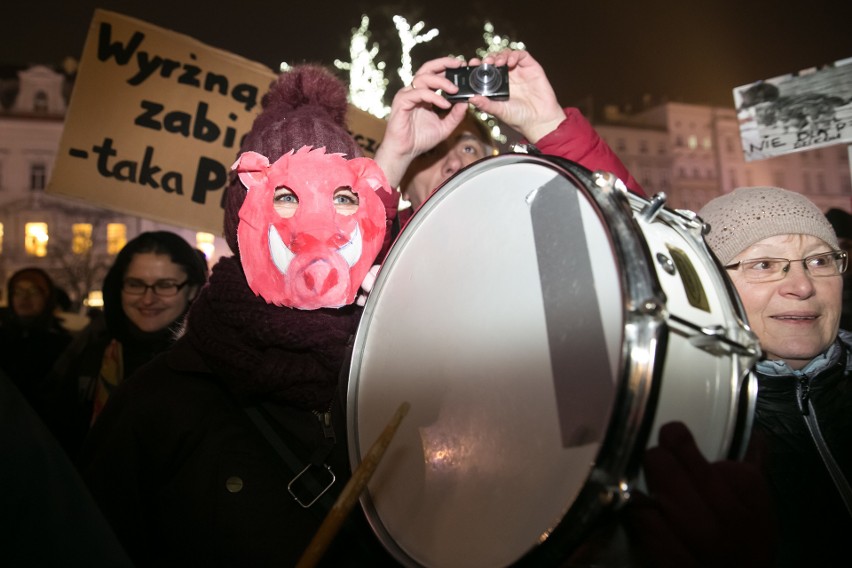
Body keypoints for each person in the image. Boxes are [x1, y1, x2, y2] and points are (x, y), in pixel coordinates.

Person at [78, 65, 398, 567]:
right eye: (286, 198)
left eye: (342, 197)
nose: (318, 228)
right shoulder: (159, 404)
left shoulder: (400, 379)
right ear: (241, 214)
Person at [698, 186, 852, 567]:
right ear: (710, 285)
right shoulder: (692, 424)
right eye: (764, 265)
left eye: (819, 262)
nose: (802, 287)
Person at [375, 49, 646, 236]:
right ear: (405, 189)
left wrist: (546, 124)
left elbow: (634, 234)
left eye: (469, 148)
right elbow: (336, 264)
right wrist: (393, 157)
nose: (454, 163)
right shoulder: (380, 264)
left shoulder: (540, 233)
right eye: (430, 153)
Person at [46, 230, 207, 458]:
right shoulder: (92, 359)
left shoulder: (207, 365)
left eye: (165, 285)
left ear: (191, 290)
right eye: (135, 284)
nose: (148, 299)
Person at [0, 267, 72, 418]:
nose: (25, 298)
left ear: (47, 297)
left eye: (33, 292)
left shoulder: (64, 345)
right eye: (18, 292)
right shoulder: (3, 339)